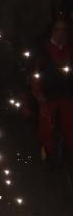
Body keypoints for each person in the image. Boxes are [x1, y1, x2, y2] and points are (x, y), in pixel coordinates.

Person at [32, 17, 73, 163]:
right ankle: (49, 156)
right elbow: (35, 72)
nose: (61, 33)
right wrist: (38, 93)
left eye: (64, 30)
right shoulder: (43, 50)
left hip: (67, 95)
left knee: (70, 126)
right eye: (57, 29)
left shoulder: (70, 49)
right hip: (48, 95)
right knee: (47, 128)